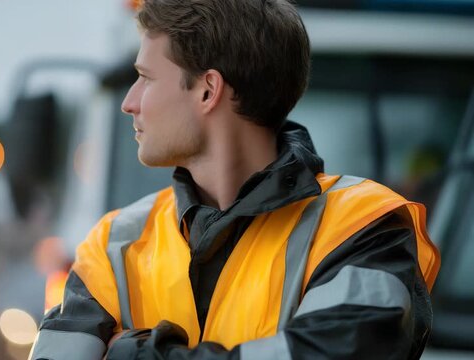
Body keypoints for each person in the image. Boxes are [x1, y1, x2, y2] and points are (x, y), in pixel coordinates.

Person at [29, 0, 440, 359]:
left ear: (208, 90)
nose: (129, 102)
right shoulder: (113, 243)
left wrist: (133, 353)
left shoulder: (366, 228)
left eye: (146, 78)